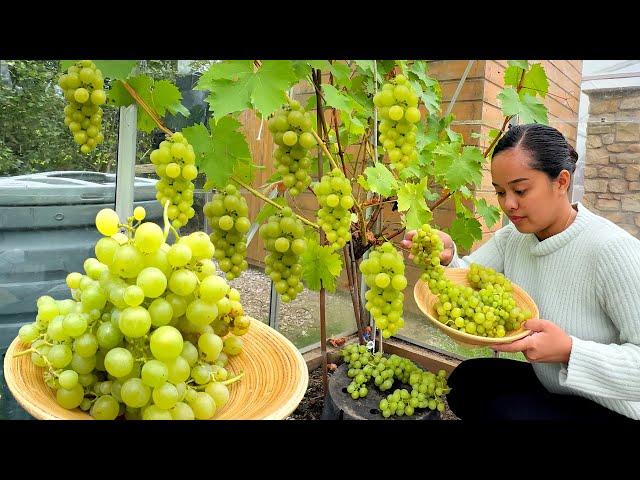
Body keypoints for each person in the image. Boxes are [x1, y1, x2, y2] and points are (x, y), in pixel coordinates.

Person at [401, 123, 640, 421]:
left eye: (520, 190)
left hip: (613, 407)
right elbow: (471, 284)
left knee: (504, 412)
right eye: (501, 192)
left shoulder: (612, 250)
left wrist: (570, 351)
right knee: (467, 381)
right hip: (555, 388)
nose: (508, 205)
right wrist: (449, 260)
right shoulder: (513, 238)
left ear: (561, 182)